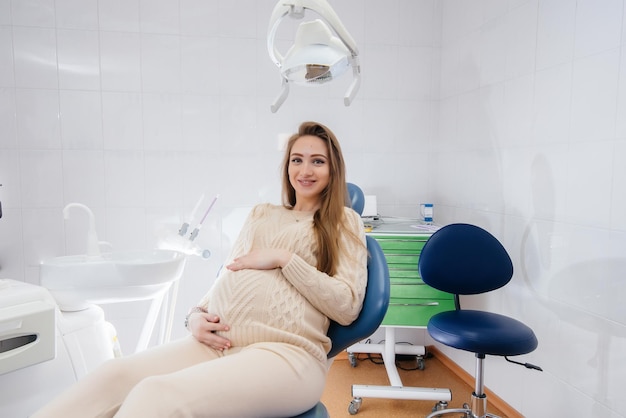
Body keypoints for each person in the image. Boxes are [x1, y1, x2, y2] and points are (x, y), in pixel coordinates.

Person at [32, 121, 368, 418]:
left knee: (156, 395)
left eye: (317, 161)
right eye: (297, 160)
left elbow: (347, 305)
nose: (305, 170)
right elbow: (229, 274)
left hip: (286, 355)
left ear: (333, 170)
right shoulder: (262, 214)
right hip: (219, 343)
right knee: (112, 376)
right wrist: (195, 315)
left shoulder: (343, 222)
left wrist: (284, 259)